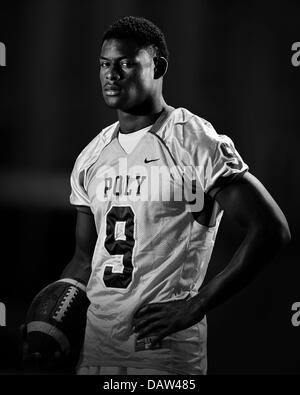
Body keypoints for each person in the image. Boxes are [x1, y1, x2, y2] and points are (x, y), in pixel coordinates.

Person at [27, 16, 291, 375]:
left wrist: (197, 304)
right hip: (95, 349)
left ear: (158, 66)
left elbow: (271, 229)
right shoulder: (92, 155)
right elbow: (83, 260)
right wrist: (48, 323)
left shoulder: (192, 140)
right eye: (105, 64)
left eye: (126, 63)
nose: (111, 74)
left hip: (161, 352)